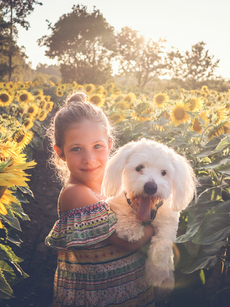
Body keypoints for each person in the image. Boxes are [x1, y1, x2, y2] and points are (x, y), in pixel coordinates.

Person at [45, 92, 155, 307]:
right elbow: (126, 242)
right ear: (60, 152)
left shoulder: (112, 183)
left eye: (97, 146)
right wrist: (157, 226)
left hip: (130, 289)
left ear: (110, 144)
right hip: (99, 296)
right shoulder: (76, 194)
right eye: (76, 149)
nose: (89, 159)